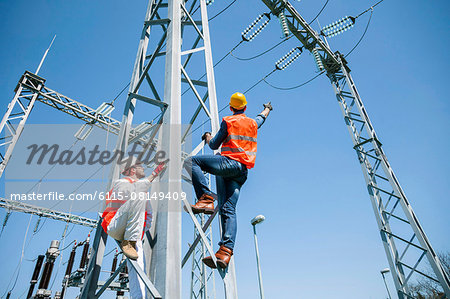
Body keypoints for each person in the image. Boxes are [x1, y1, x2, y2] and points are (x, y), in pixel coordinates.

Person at [183, 92, 272, 269]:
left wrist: (208, 136)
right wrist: (267, 108)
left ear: (231, 107)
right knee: (228, 209)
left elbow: (214, 145)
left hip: (229, 164)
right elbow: (262, 118)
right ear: (245, 107)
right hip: (241, 172)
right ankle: (225, 252)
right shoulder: (253, 123)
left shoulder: (229, 121)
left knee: (191, 162)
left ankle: (205, 198)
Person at [101, 156, 165, 299]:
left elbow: (149, 216)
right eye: (140, 165)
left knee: (138, 270)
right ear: (132, 169)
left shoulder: (140, 189)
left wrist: (141, 231)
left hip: (133, 233)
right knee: (139, 195)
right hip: (116, 225)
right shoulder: (122, 183)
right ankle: (129, 242)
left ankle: (139, 297)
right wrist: (155, 173)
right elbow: (135, 191)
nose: (143, 167)